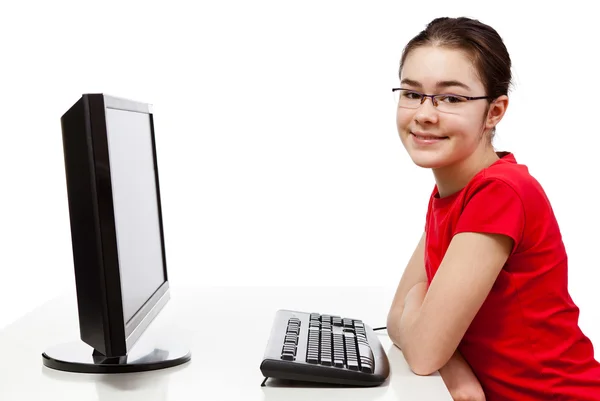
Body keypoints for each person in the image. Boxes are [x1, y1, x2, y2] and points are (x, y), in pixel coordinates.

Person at [385, 16, 600, 401]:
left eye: (451, 98)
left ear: (495, 111)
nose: (424, 114)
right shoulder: (453, 194)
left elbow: (421, 349)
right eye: (412, 93)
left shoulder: (500, 193)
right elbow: (397, 318)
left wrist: (431, 341)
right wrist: (456, 370)